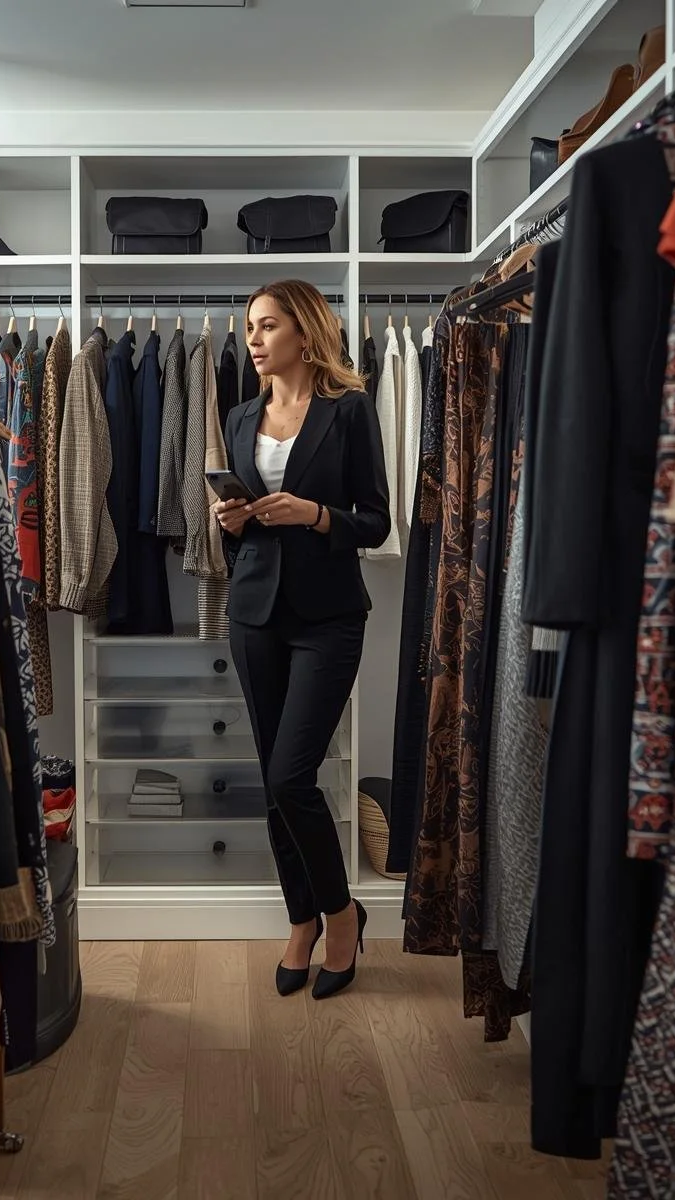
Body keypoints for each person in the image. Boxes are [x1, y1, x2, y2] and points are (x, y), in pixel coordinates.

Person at [213, 279, 391, 999]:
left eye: (266, 326)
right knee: (273, 786)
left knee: (293, 775)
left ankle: (343, 915)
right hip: (255, 612)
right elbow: (239, 518)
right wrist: (236, 522)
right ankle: (301, 921)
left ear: (304, 331)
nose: (252, 340)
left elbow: (375, 522)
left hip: (328, 616)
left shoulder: (349, 411)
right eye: (250, 328)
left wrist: (317, 515)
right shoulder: (238, 416)